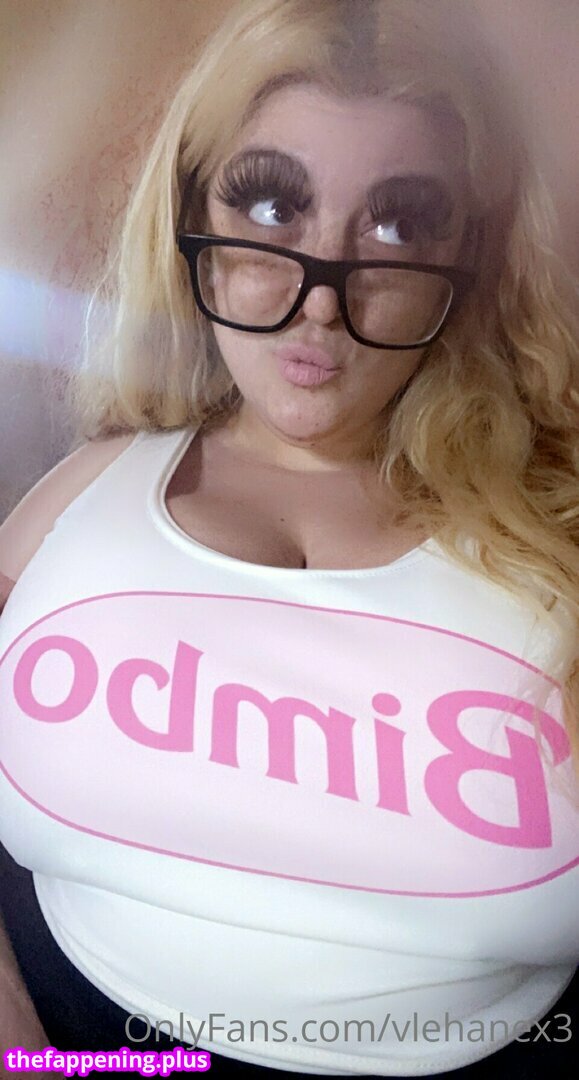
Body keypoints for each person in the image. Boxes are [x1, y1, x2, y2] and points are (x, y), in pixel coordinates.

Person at [0, 0, 578, 1076]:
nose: (319, 301)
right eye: (271, 205)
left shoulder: (560, 540)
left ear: (471, 253)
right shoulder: (86, 489)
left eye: (396, 226)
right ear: (193, 214)